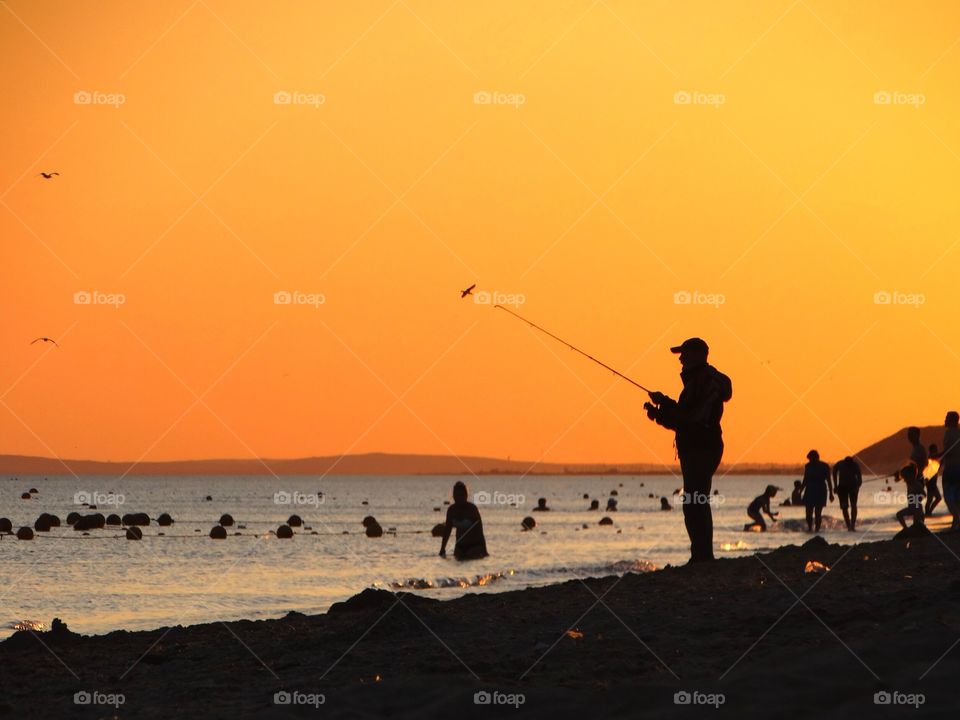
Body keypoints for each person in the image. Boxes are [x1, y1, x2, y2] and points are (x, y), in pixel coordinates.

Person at [645, 337, 732, 562]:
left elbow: (688, 420)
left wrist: (661, 413)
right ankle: (702, 555)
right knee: (696, 501)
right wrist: (662, 405)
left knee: (695, 503)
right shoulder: (700, 382)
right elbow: (686, 415)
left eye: (684, 354)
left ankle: (702, 557)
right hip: (701, 446)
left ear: (696, 355)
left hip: (700, 448)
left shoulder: (701, 382)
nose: (681, 359)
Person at [438, 481, 488, 560]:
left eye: (461, 495)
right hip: (459, 548)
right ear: (453, 496)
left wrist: (484, 551)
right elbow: (447, 530)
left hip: (474, 546)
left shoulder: (472, 509)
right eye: (456, 496)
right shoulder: (451, 510)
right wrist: (442, 549)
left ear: (466, 495)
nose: (459, 498)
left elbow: (480, 531)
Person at [931, 411, 960, 531]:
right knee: (956, 497)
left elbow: (948, 451)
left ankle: (957, 519)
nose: (944, 420)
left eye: (947, 418)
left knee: (949, 497)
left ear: (953, 420)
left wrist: (936, 456)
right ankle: (956, 521)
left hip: (952, 469)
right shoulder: (952, 433)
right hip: (954, 467)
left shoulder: (952, 433)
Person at [800, 450, 833, 532]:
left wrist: (831, 494)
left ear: (816, 457)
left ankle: (817, 529)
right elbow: (805, 479)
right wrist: (800, 491)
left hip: (821, 490)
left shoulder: (824, 466)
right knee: (808, 512)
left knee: (818, 512)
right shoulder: (807, 466)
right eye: (809, 459)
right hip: (809, 490)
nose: (810, 460)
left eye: (811, 458)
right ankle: (810, 528)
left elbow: (829, 480)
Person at [832, 455, 862, 531]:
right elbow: (834, 472)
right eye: (848, 464)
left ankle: (852, 525)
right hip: (842, 488)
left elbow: (859, 479)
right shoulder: (840, 464)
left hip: (853, 487)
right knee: (844, 507)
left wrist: (857, 487)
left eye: (850, 464)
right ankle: (848, 525)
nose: (849, 465)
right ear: (845, 462)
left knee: (853, 505)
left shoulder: (855, 465)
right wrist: (835, 485)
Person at [894, 462, 925, 530]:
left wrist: (917, 499)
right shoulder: (909, 483)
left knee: (918, 527)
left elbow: (924, 494)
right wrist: (897, 475)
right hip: (911, 508)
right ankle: (905, 528)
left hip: (917, 509)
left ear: (911, 476)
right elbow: (897, 479)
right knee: (899, 515)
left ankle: (919, 528)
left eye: (905, 477)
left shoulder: (917, 484)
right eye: (904, 478)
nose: (904, 480)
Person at [925, 442, 943, 517]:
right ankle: (928, 513)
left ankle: (929, 512)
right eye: (936, 450)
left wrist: (942, 462)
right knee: (932, 498)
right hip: (930, 481)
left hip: (932, 481)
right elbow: (937, 455)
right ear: (932, 450)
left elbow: (938, 468)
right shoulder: (930, 457)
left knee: (937, 498)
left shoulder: (935, 459)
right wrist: (945, 451)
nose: (937, 451)